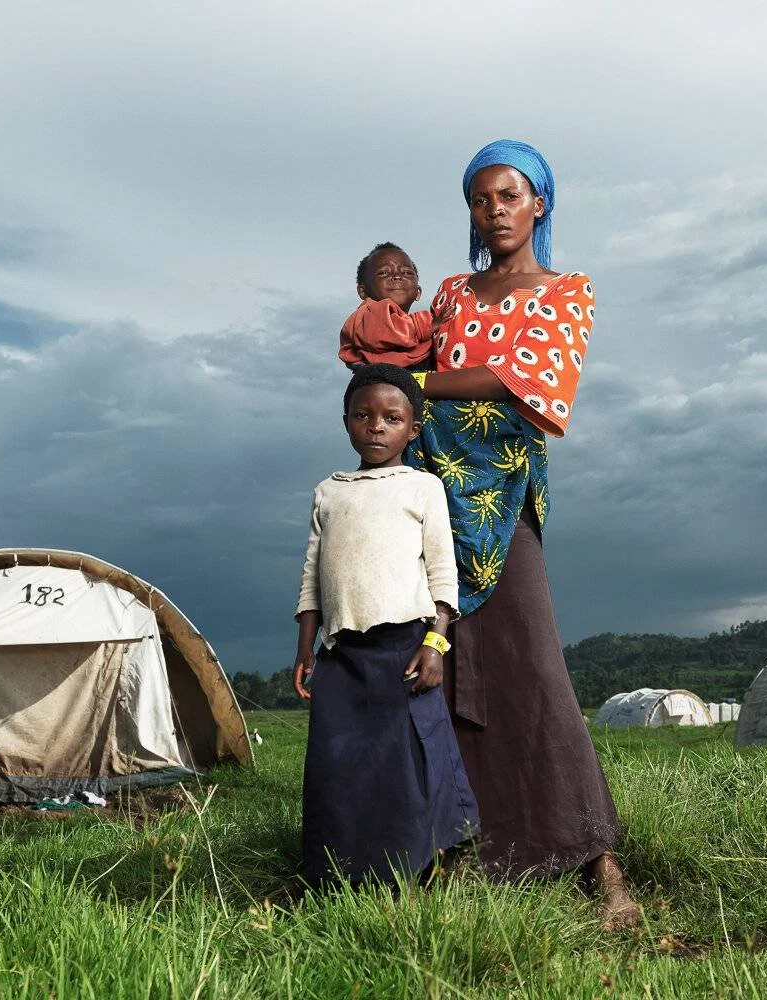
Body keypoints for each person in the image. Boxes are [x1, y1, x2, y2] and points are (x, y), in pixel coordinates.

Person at [407, 139, 640, 928]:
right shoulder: (449, 293)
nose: (494, 211)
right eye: (480, 200)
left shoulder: (566, 292)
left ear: (539, 202)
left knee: (534, 663)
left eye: (509, 196)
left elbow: (529, 382)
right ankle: (467, 846)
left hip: (505, 500)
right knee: (451, 668)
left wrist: (416, 381)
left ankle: (599, 857)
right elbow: (397, 369)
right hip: (431, 495)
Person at [292, 364, 478, 886]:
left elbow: (443, 573)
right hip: (341, 652)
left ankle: (419, 868)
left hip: (405, 647)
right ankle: (341, 873)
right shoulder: (329, 491)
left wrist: (435, 644)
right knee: (337, 763)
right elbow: (312, 576)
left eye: (392, 418)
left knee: (406, 762)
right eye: (363, 415)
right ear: (346, 422)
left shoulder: (423, 487)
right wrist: (305, 646)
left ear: (412, 429)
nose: (376, 426)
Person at [339, 243, 453, 371]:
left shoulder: (411, 330)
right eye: (383, 272)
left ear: (418, 292)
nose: (397, 277)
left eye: (406, 272)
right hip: (379, 375)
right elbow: (383, 332)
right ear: (363, 291)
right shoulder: (367, 313)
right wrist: (430, 324)